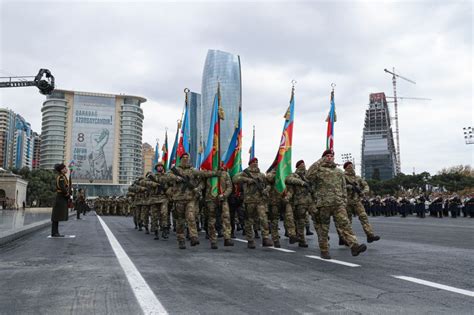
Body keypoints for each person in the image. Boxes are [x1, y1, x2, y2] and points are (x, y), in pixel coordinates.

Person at [306, 149, 367, 259]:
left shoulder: (338, 172)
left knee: (345, 224)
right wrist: (320, 161)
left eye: (331, 156)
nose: (329, 157)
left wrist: (344, 201)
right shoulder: (318, 170)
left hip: (338, 203)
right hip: (323, 204)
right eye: (327, 156)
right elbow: (308, 175)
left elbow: (343, 187)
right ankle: (324, 250)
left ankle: (354, 246)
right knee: (324, 228)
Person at [233, 157, 273, 249]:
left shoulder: (261, 175)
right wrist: (247, 180)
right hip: (249, 201)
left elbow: (268, 184)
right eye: (254, 162)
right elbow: (235, 178)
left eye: (257, 162)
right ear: (250, 163)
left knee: (263, 219)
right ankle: (250, 240)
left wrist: (266, 190)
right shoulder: (245, 173)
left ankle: (265, 238)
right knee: (249, 220)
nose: (256, 163)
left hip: (260, 201)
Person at [340, 161, 380, 243]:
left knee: (364, 217)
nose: (350, 167)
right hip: (346, 202)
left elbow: (366, 186)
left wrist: (363, 192)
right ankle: (344, 238)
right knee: (347, 221)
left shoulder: (358, 178)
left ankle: (370, 235)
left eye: (351, 166)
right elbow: (338, 187)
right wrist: (348, 187)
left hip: (357, 201)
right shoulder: (342, 177)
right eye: (348, 166)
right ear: (345, 168)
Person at [51, 163, 70, 237]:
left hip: (62, 197)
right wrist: (67, 195)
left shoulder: (63, 176)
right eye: (64, 168)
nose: (66, 169)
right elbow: (63, 188)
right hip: (60, 197)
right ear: (61, 170)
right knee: (56, 216)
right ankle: (54, 232)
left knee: (57, 216)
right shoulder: (61, 177)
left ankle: (55, 232)